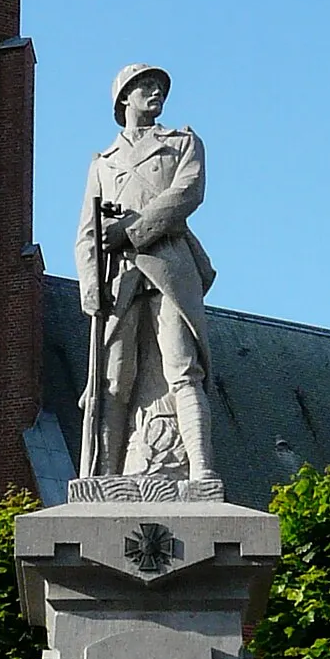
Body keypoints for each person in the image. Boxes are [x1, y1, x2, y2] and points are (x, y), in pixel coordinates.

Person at [76, 64, 218, 485]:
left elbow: (187, 193)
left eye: (159, 86)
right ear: (124, 99)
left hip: (168, 265)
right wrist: (89, 288)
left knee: (183, 368)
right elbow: (86, 234)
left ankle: (202, 471)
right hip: (117, 279)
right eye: (145, 86)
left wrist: (130, 230)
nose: (155, 91)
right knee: (113, 380)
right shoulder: (102, 164)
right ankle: (104, 478)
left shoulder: (182, 143)